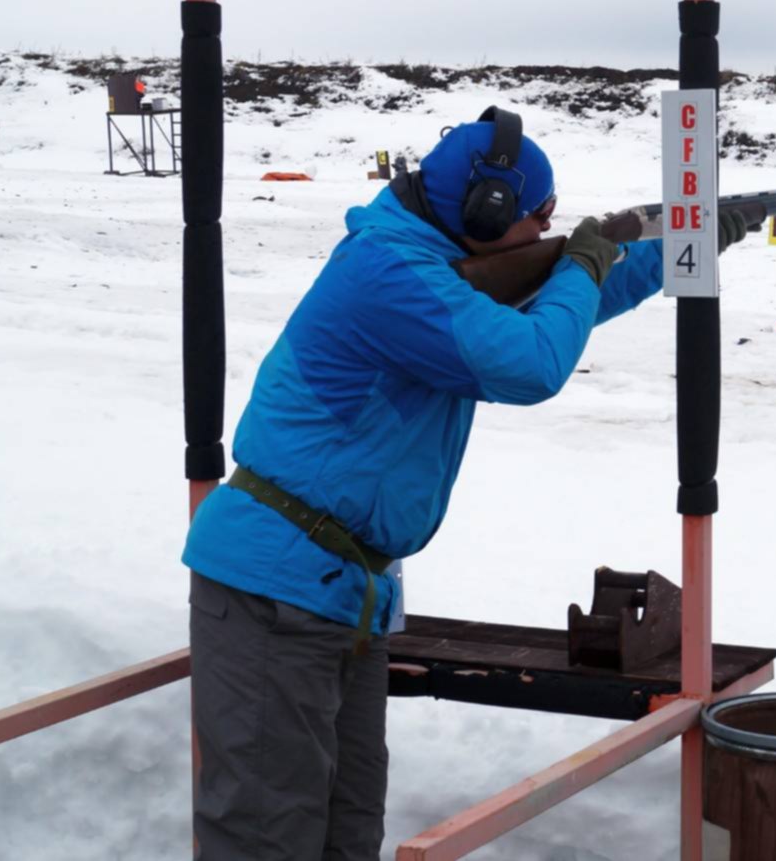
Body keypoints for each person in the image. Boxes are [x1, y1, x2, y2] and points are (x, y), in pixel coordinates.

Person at [181, 106, 746, 860]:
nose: (549, 225)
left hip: (343, 596)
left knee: (347, 831)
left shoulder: (435, 265)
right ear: (484, 212)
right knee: (266, 836)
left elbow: (568, 300)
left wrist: (679, 241)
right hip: (275, 591)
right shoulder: (391, 275)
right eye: (538, 214)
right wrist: (580, 261)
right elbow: (532, 361)